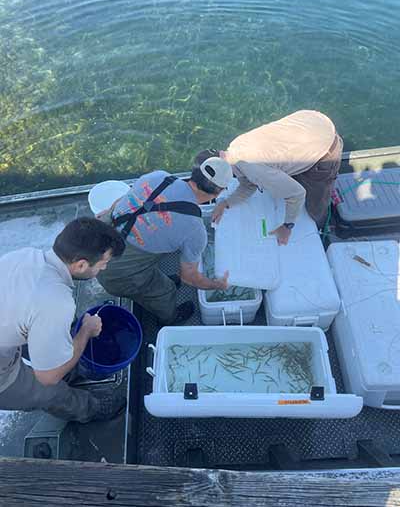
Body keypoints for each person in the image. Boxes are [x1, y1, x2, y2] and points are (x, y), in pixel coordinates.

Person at [0, 217, 127, 423]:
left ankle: (68, 368)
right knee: (49, 391)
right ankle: (90, 410)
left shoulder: (24, 256)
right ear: (81, 264)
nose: (103, 269)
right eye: (103, 264)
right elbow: (47, 378)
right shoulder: (56, 302)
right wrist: (86, 331)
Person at [97, 150, 233, 325]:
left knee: (155, 267)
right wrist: (217, 285)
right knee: (165, 291)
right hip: (114, 273)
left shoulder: (159, 176)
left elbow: (122, 201)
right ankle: (169, 318)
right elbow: (188, 278)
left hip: (99, 240)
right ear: (219, 191)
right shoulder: (194, 229)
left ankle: (153, 280)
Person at [212, 110, 343, 245]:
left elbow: (297, 194)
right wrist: (226, 203)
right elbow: (248, 185)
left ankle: (324, 228)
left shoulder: (253, 169)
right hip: (311, 120)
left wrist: (287, 227)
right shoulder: (235, 146)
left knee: (315, 205)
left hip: (325, 148)